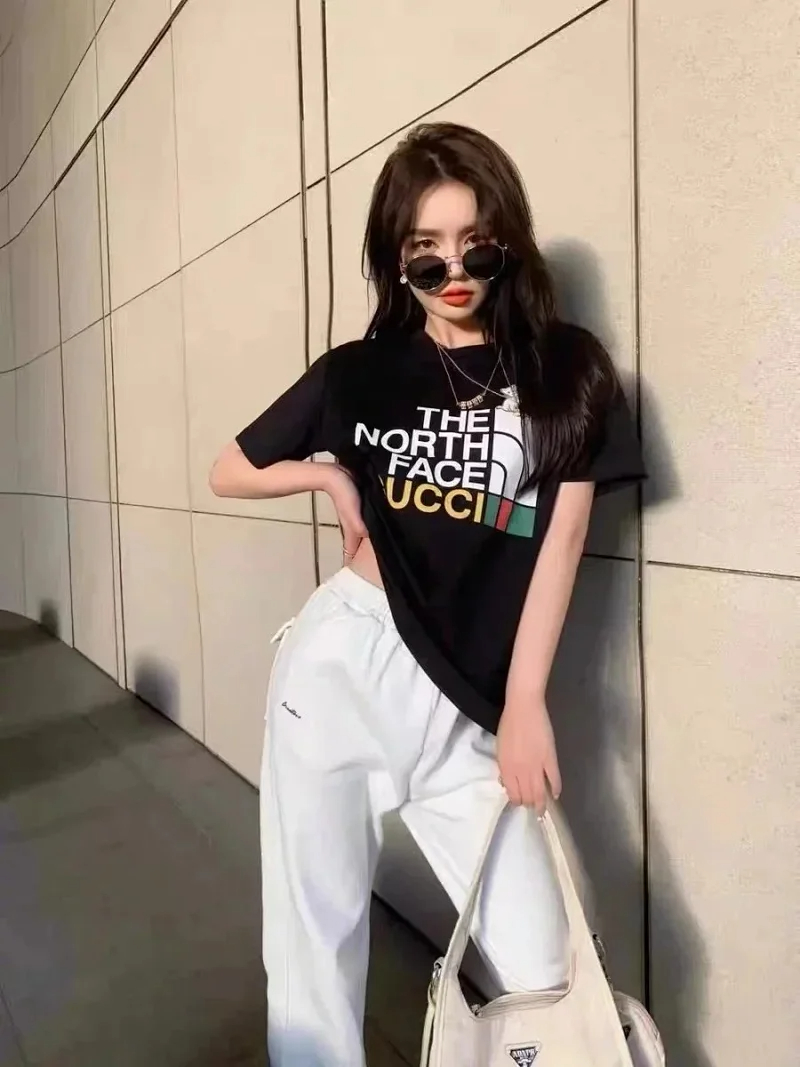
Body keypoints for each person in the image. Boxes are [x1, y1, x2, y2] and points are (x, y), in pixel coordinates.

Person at [209, 122, 645, 1067]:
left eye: (474, 244)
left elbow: (564, 538)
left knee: (545, 957)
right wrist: (330, 476)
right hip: (341, 666)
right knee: (314, 947)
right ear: (395, 259)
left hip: (466, 703)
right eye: (424, 252)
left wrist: (525, 700)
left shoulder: (567, 371)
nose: (454, 272)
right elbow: (229, 469)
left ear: (507, 241)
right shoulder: (361, 373)